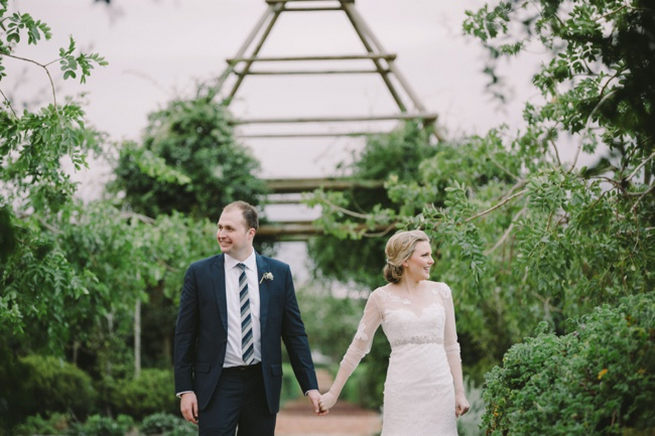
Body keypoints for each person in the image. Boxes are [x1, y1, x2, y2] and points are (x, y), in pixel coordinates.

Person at [174, 200, 325, 435]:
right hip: (216, 383)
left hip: (262, 384)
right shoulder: (199, 273)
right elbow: (184, 334)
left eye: (229, 229)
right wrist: (185, 389)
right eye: (220, 227)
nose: (221, 234)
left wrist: (311, 387)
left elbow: (294, 334)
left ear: (250, 233)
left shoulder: (279, 273)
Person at [319, 230, 470, 435]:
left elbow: (451, 345)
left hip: (440, 390)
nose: (432, 261)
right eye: (425, 255)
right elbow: (357, 349)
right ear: (405, 260)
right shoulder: (380, 298)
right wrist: (333, 394)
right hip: (402, 391)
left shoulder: (441, 292)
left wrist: (460, 393)